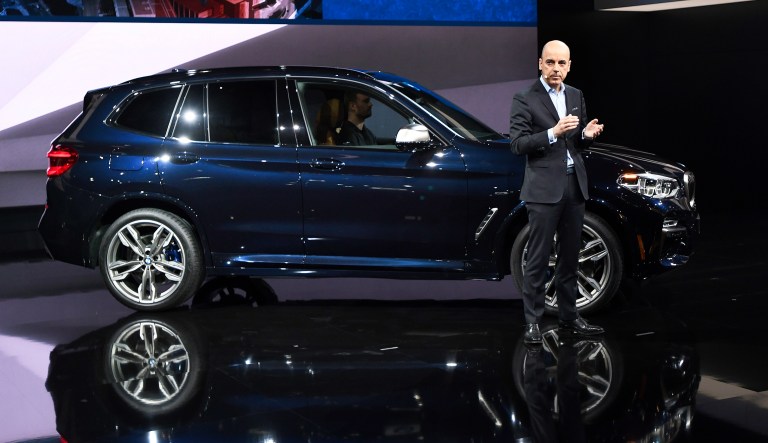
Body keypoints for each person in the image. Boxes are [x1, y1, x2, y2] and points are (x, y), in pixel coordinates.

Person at [509, 40, 605, 345]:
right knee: (538, 258)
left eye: (561, 63)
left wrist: (586, 135)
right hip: (542, 189)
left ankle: (569, 316)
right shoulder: (525, 98)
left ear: (569, 66)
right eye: (550, 62)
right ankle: (533, 322)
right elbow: (517, 144)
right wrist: (553, 132)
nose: (555, 68)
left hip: (574, 185)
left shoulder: (575, 95)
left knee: (570, 257)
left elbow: (576, 143)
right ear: (540, 64)